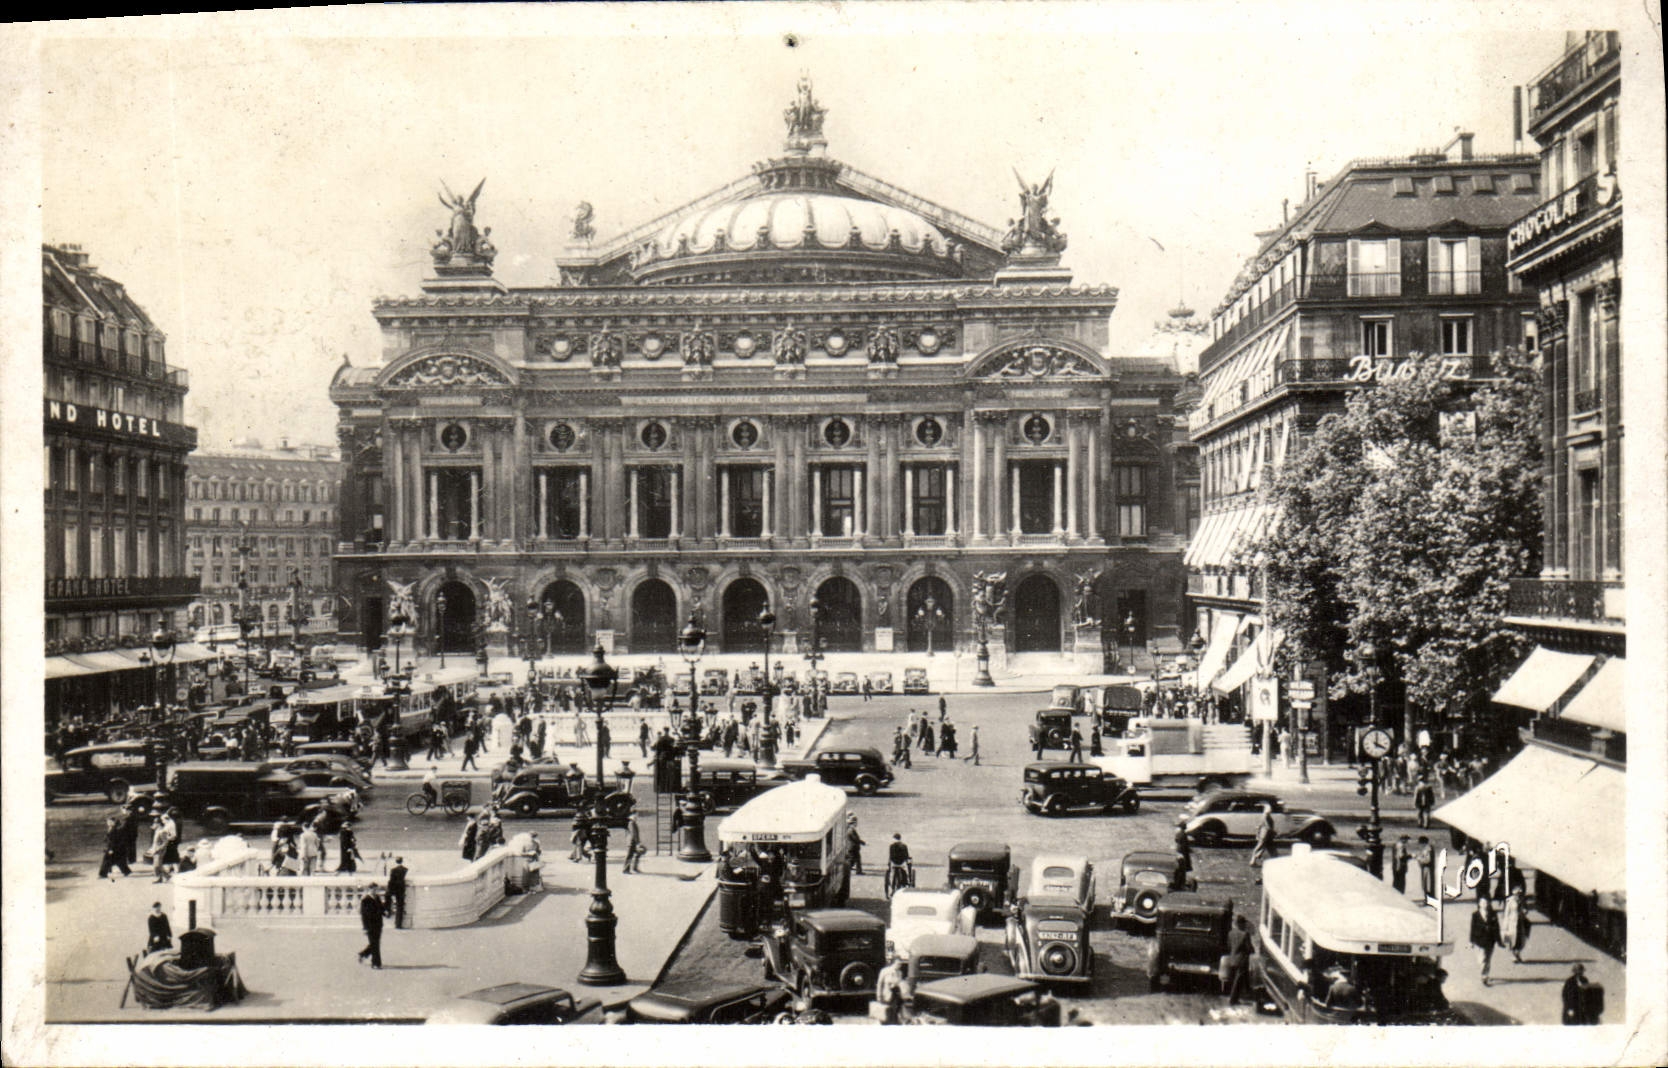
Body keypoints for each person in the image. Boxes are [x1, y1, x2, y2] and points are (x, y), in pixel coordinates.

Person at [1221, 915, 1251, 1005]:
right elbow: (1249, 948)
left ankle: (1245, 992)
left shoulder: (1230, 933)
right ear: (1241, 924)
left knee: (1234, 978)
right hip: (1242, 960)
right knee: (1238, 981)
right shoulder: (1245, 934)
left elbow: (1229, 945)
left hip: (1232, 959)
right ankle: (1233, 999)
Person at [1469, 896, 1500, 987]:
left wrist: (1499, 940)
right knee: (1483, 959)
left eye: (1486, 903)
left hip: (1490, 940)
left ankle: (1485, 975)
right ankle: (1484, 974)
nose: (1485, 905)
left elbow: (1497, 927)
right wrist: (1471, 941)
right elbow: (1472, 928)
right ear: (1479, 904)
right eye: (1483, 903)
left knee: (1487, 959)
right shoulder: (1475, 915)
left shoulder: (1493, 914)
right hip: (1479, 940)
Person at [357, 884, 386, 969]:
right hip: (370, 925)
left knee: (375, 943)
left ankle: (363, 954)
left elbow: (381, 909)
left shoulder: (377, 898)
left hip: (378, 924)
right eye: (373, 890)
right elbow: (364, 915)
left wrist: (385, 913)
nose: (374, 891)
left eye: (376, 890)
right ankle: (376, 963)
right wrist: (365, 928)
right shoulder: (365, 900)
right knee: (375, 944)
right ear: (369, 890)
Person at [1500, 886, 1531, 964]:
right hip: (1512, 923)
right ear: (1513, 893)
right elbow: (1507, 913)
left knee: (1520, 939)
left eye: (1519, 893)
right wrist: (1505, 924)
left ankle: (1517, 954)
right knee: (1513, 939)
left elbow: (1526, 909)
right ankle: (1513, 955)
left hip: (1520, 922)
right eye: (1516, 893)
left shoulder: (1522, 900)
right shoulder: (1510, 901)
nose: (1518, 895)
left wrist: (1525, 911)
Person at [875, 953, 907, 1024]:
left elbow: (900, 983)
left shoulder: (900, 973)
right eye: (898, 964)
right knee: (886, 1016)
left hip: (896, 997)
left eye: (900, 964)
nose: (899, 965)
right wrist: (879, 996)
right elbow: (879, 984)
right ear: (893, 963)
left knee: (894, 1016)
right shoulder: (884, 971)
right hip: (887, 996)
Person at [99, 815, 132, 880]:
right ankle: (126, 871)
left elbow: (113, 840)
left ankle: (103, 874)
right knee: (118, 861)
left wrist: (111, 849)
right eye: (107, 822)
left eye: (109, 821)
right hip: (114, 848)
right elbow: (109, 838)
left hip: (113, 848)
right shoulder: (112, 828)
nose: (107, 823)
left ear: (113, 822)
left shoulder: (114, 829)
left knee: (107, 860)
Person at [1249, 805, 1276, 872]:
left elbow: (1260, 825)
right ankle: (1253, 860)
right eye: (1269, 809)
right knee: (1261, 847)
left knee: (1264, 848)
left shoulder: (1265, 815)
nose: (1270, 810)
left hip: (1266, 834)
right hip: (1265, 834)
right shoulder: (1265, 816)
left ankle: (1254, 860)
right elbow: (1267, 826)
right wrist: (1274, 831)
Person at [386, 856, 409, 929]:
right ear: (402, 861)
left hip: (395, 890)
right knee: (400, 907)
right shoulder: (405, 869)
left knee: (392, 904)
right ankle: (398, 924)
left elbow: (391, 881)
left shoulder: (393, 870)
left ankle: (389, 915)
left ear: (396, 861)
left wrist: (390, 890)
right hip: (401, 890)